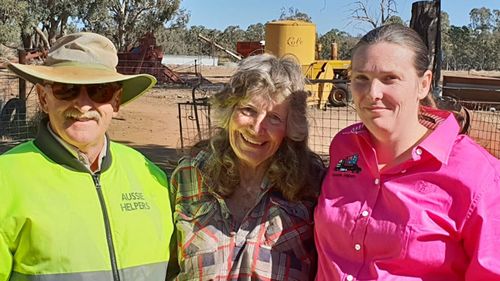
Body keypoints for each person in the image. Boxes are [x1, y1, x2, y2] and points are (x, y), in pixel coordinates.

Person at [314, 24, 500, 280]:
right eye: (361, 79)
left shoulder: (479, 176)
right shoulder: (344, 147)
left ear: (424, 85)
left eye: (390, 78)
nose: (372, 94)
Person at [0, 32, 176, 281]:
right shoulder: (6, 177)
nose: (82, 105)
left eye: (99, 91)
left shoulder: (150, 176)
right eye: (67, 89)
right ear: (43, 99)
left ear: (115, 102)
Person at [170, 53, 325, 280]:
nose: (256, 128)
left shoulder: (314, 187)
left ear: (290, 128)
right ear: (229, 111)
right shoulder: (189, 176)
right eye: (248, 110)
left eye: (274, 117)